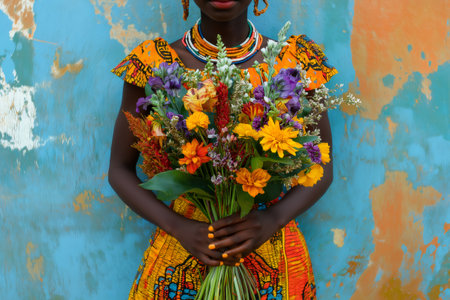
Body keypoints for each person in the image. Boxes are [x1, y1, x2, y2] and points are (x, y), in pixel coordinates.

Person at [109, 0, 337, 298]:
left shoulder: (294, 64)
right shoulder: (156, 66)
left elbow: (322, 165)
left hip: (272, 254)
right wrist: (178, 227)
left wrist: (272, 219)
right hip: (181, 257)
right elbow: (119, 170)